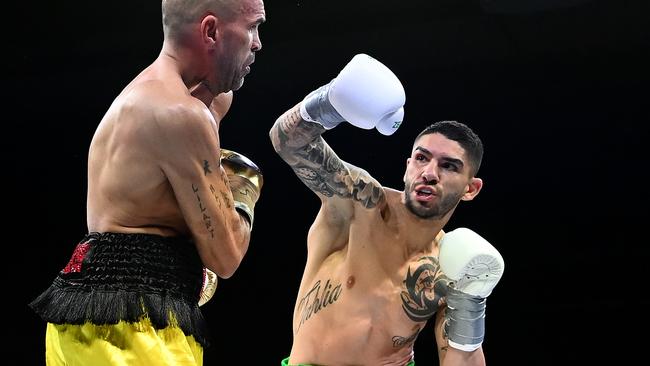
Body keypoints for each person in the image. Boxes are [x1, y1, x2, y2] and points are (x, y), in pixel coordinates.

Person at [29, 1, 266, 365]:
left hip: (97, 320)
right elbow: (226, 256)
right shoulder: (179, 113)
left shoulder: (170, 98)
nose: (257, 43)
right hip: (131, 331)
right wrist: (243, 191)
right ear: (211, 31)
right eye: (252, 27)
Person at [269, 54, 505, 366]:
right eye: (422, 158)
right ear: (408, 167)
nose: (430, 172)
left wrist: (471, 303)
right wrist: (332, 101)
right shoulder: (360, 201)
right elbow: (288, 142)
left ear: (470, 189)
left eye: (448, 166)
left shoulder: (452, 264)